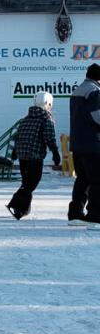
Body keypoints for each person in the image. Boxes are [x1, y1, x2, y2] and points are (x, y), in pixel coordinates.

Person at [7, 91, 61, 220]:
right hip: (34, 157)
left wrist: (15, 151)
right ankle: (15, 204)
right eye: (50, 105)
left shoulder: (25, 119)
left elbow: (18, 136)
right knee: (32, 183)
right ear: (47, 103)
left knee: (26, 182)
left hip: (23, 156)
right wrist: (55, 153)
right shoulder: (46, 119)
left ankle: (22, 210)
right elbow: (49, 138)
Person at [68, 63, 100, 227]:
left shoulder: (78, 90)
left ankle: (75, 213)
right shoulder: (95, 91)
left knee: (83, 179)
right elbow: (97, 116)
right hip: (92, 143)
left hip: (78, 143)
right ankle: (95, 214)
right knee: (96, 179)